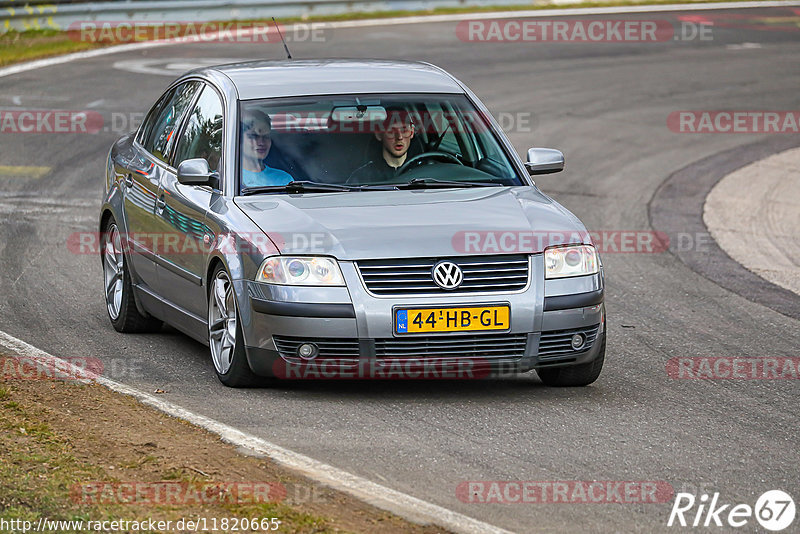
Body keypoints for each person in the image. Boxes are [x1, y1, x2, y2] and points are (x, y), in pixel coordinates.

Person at [348, 109, 416, 184]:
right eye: (391, 131)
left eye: (404, 130)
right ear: (379, 134)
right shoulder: (362, 178)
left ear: (412, 132)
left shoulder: (422, 171)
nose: (399, 137)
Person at [240, 109, 293, 188]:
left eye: (266, 137)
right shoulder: (227, 178)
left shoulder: (284, 179)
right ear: (239, 140)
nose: (261, 142)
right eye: (253, 136)